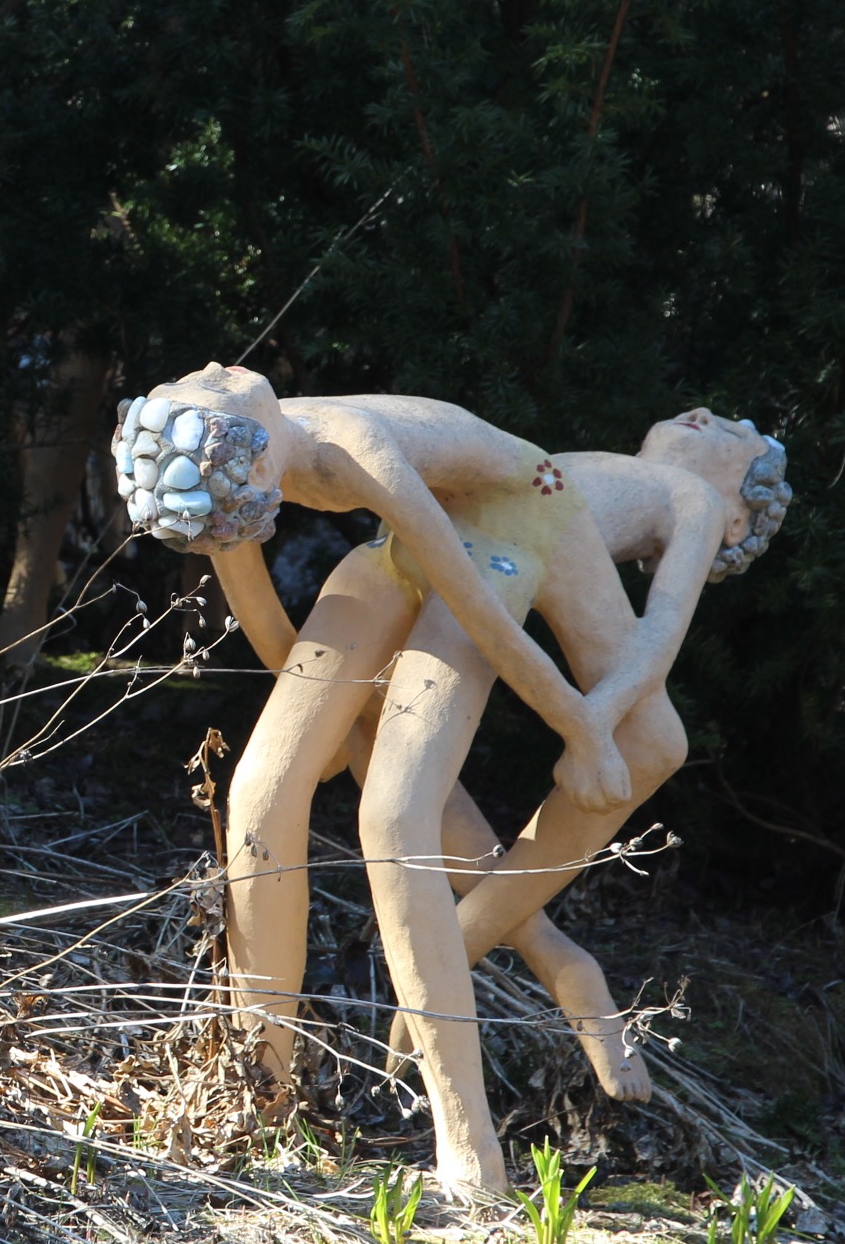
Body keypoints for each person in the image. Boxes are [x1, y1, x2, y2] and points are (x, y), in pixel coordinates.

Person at [127, 362, 630, 1196]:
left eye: (209, 380)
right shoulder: (228, 465)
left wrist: (581, 726)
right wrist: (322, 719)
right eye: (206, 383)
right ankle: (260, 1091)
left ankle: (469, 1144)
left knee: (396, 816)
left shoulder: (345, 445)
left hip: (508, 525)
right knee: (260, 790)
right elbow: (266, 621)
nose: (212, 368)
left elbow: (473, 603)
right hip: (408, 541)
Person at [214, 409, 790, 1104]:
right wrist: (591, 728)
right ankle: (535, 955)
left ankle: (460, 956)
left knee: (644, 746)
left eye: (734, 433)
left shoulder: (690, 496)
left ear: (736, 521)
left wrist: (594, 724)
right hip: (473, 541)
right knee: (398, 765)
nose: (702, 416)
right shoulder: (574, 467)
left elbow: (661, 633)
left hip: (494, 545)